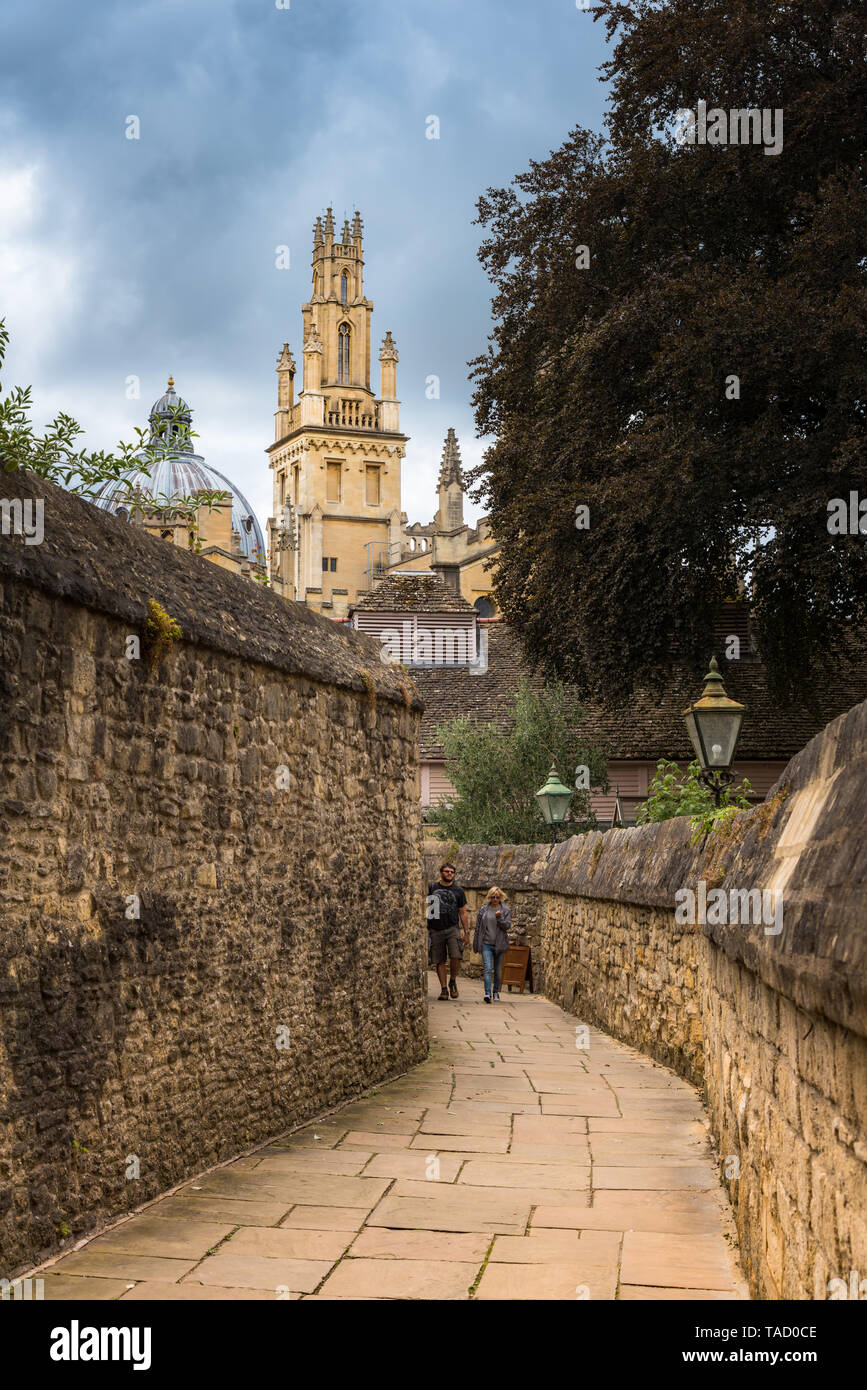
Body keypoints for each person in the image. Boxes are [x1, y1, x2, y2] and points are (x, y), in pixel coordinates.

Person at [426, 862, 469, 1000]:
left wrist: (467, 932)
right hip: (435, 929)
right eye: (447, 871)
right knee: (439, 960)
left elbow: (463, 912)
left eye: (452, 872)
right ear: (441, 872)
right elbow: (427, 908)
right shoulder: (432, 888)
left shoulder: (458, 891)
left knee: (456, 955)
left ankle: (452, 980)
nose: (450, 873)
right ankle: (444, 989)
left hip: (452, 928)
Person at [473, 887, 511, 1003]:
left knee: (498, 971)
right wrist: (476, 943)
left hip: (499, 944)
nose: (495, 899)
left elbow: (507, 926)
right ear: (489, 897)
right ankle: (487, 993)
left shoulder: (505, 910)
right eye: (493, 897)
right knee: (488, 969)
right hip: (486, 944)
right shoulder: (484, 909)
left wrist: (499, 918)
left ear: (501, 898)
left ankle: (495, 992)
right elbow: (478, 928)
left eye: (497, 897)